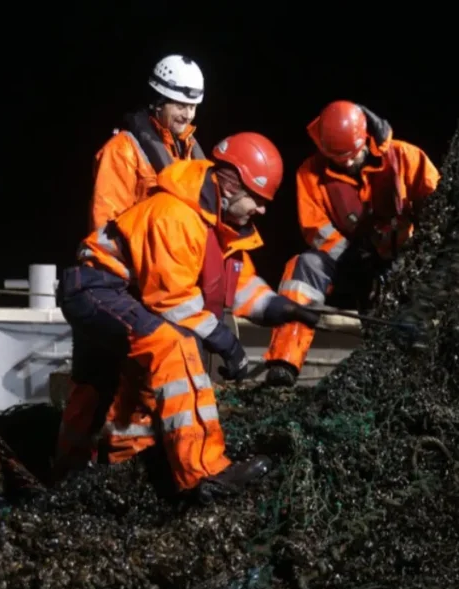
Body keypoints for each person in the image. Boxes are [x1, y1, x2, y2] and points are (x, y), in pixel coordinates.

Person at [54, 132, 320, 495]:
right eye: (257, 200)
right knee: (170, 346)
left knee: (103, 382)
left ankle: (90, 468)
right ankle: (204, 471)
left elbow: (236, 283)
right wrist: (227, 343)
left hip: (110, 291)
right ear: (229, 185)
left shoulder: (215, 226)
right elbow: (173, 299)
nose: (262, 210)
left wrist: (280, 308)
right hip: (96, 288)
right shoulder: (177, 216)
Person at [263, 100, 441, 386]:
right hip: (350, 264)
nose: (345, 162)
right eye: (336, 156)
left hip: (403, 262)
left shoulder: (405, 157)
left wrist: (418, 246)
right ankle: (284, 361)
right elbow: (315, 229)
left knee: (411, 318)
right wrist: (352, 256)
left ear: (365, 139)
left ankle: (415, 374)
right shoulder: (310, 174)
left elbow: (439, 202)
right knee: (304, 266)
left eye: (350, 154)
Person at [89, 54, 208, 231]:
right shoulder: (121, 150)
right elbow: (105, 223)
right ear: (158, 102)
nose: (188, 115)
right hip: (143, 254)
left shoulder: (189, 151)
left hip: (182, 254)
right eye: (180, 106)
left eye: (193, 107)